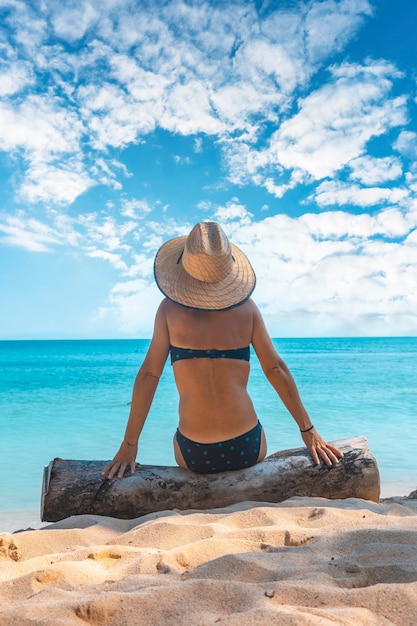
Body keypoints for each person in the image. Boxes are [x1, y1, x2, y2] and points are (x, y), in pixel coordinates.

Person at [102, 221, 343, 480]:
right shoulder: (248, 309)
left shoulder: (168, 311)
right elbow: (275, 369)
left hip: (194, 453)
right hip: (247, 447)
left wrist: (129, 446)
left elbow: (150, 375)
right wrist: (308, 431)